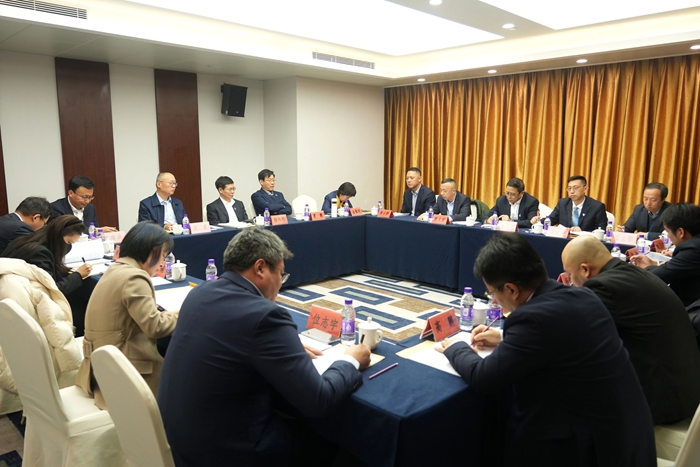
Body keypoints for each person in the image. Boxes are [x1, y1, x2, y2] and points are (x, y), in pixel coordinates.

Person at [436, 234, 655, 466]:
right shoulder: (582, 295)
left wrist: (457, 348)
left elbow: (484, 378)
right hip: (630, 436)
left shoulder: (531, 318)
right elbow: (559, 342)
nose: (495, 300)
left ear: (511, 289)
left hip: (592, 449)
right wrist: (503, 339)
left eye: (492, 293)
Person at [158, 227, 370, 466]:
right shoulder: (266, 316)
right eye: (281, 274)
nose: (280, 283)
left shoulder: (200, 292)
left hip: (179, 441)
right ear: (260, 268)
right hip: (228, 453)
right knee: (337, 446)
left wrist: (283, 347)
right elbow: (318, 400)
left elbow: (235, 340)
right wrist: (351, 359)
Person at [562, 236, 700, 425]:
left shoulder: (604, 286)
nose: (570, 281)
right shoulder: (630, 274)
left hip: (662, 403)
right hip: (683, 390)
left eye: (569, 275)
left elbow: (575, 334)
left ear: (585, 270)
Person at [76, 221, 178, 409]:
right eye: (163, 256)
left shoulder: (117, 268)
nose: (162, 263)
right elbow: (155, 327)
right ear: (151, 252)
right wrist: (186, 313)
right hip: (123, 374)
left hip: (99, 366)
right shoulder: (135, 277)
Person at [1, 214, 91, 296]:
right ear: (58, 236)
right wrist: (78, 275)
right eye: (68, 242)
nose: (67, 247)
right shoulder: (40, 254)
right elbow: (53, 291)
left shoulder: (27, 239)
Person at [632, 203, 700, 306]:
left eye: (668, 231)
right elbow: (672, 269)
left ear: (680, 232)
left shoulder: (693, 250)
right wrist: (652, 265)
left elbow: (657, 277)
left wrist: (645, 268)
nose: (668, 236)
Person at [51, 176, 117, 233]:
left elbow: (95, 228)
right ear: (71, 193)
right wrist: (95, 230)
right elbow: (65, 231)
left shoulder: (90, 208)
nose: (88, 201)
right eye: (84, 197)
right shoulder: (56, 208)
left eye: (90, 197)